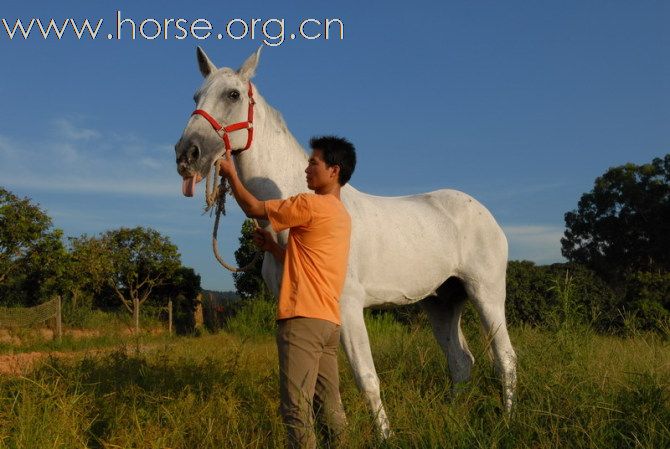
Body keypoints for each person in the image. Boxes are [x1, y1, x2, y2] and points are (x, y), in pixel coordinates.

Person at [217, 135, 357, 449]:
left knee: (296, 408)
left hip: (302, 322)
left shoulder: (308, 204)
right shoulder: (341, 216)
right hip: (328, 323)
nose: (307, 168)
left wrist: (231, 174)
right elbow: (310, 263)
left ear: (333, 170)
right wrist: (273, 249)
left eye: (313, 162)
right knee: (330, 405)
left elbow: (254, 207)